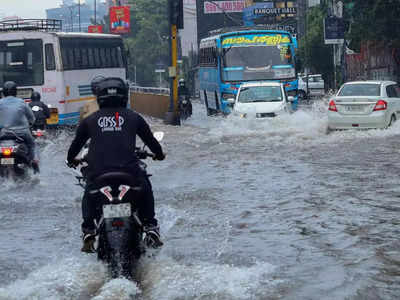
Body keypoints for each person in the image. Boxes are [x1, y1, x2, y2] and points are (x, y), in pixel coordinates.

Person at [66, 77, 166, 252]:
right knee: (145, 186)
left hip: (98, 175)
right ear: (124, 95)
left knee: (89, 191)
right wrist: (159, 155)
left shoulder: (89, 119)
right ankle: (150, 226)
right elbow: (152, 143)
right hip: (130, 173)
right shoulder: (134, 117)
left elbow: (74, 149)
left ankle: (88, 229)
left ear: (99, 97)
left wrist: (72, 160)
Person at [0, 81, 39, 173]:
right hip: (22, 133)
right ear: (15, 91)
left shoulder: (0, 102)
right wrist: (30, 124)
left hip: (4, 133)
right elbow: (32, 118)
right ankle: (34, 162)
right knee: (32, 145)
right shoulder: (22, 102)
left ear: (4, 92)